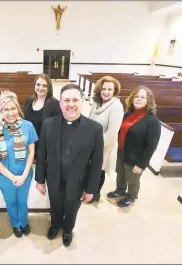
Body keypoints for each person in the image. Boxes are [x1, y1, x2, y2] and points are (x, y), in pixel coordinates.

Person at [35, 84, 104, 247]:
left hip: (78, 180)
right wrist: (39, 180)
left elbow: (96, 162)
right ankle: (55, 225)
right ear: (60, 103)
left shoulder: (94, 129)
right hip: (54, 177)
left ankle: (67, 230)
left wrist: (90, 190)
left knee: (72, 208)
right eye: (66, 100)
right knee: (55, 204)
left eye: (75, 100)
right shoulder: (48, 124)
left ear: (82, 102)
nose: (71, 104)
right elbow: (42, 154)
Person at [0, 91, 38, 238]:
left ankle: (24, 222)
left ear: (18, 108)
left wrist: (24, 176)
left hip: (24, 173)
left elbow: (31, 153)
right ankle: (15, 224)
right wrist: (12, 177)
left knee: (22, 201)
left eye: (13, 108)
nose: (10, 113)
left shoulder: (28, 126)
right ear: (1, 111)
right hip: (5, 176)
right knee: (10, 202)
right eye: (6, 109)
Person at [107, 86, 161, 208]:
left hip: (136, 158)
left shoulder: (152, 120)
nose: (138, 99)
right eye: (136, 96)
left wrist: (141, 164)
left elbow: (152, 145)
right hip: (122, 152)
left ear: (149, 101)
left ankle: (131, 197)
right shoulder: (129, 113)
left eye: (143, 97)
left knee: (133, 180)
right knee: (120, 173)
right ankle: (120, 190)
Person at [88, 76, 124, 202]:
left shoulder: (116, 106)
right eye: (104, 88)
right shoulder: (97, 102)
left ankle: (95, 194)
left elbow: (112, 133)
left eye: (109, 89)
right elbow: (88, 120)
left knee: (99, 170)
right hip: (91, 143)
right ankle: (88, 190)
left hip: (104, 146)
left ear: (115, 91)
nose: (106, 92)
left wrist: (95, 145)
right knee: (91, 169)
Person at [24, 74, 62, 160]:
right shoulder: (29, 100)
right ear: (34, 85)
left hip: (45, 146)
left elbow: (58, 128)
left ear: (49, 88)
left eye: (44, 86)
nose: (40, 88)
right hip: (29, 144)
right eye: (38, 85)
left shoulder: (54, 104)